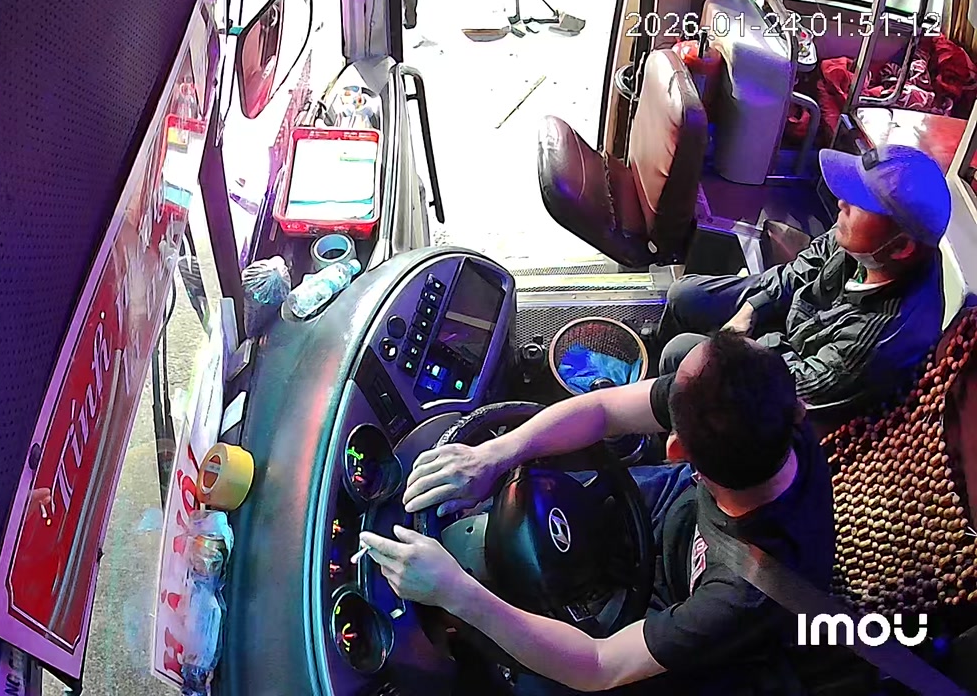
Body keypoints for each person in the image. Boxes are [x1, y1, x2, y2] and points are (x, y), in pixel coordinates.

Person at [359, 331, 834, 694]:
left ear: (676, 450)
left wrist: (453, 591)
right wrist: (494, 455)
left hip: (688, 620)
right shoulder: (762, 410)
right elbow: (605, 409)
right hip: (679, 509)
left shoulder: (744, 594)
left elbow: (598, 665)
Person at [658, 144, 949, 407]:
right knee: (684, 295)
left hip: (787, 378)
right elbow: (802, 268)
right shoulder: (865, 244)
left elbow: (797, 387)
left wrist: (743, 346)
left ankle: (674, 421)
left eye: (860, 201)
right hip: (794, 323)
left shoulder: (880, 337)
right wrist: (752, 308)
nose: (842, 202)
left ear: (901, 247)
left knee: (680, 353)